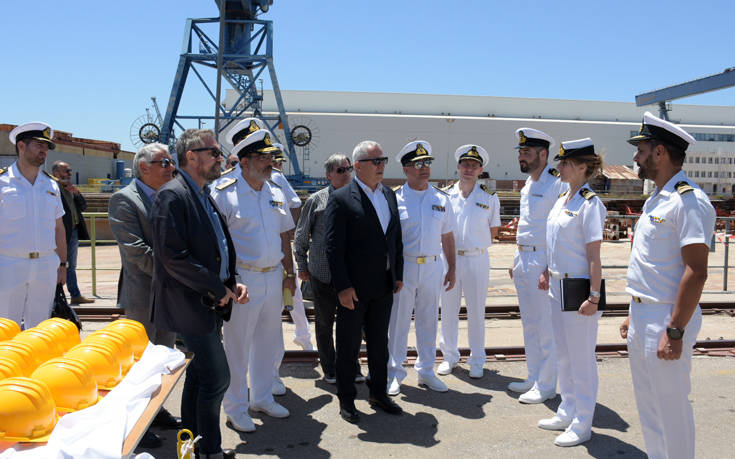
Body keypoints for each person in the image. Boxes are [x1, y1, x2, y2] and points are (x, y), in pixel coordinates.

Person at [620, 112, 715, 459]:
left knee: (671, 406)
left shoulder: (689, 201)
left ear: (659, 152)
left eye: (641, 150)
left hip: (667, 318)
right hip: (644, 313)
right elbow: (652, 264)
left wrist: (675, 330)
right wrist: (634, 310)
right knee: (648, 405)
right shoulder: (657, 198)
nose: (636, 157)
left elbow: (697, 271)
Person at [150, 128, 248, 459]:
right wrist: (216, 287)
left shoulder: (203, 193)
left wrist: (231, 282)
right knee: (217, 378)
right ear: (191, 156)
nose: (221, 159)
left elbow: (217, 247)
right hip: (189, 306)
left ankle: (190, 446)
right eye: (215, 153)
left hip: (209, 302)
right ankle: (210, 450)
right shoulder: (172, 196)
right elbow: (172, 257)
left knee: (198, 376)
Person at [212, 129, 296, 433]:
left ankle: (261, 397)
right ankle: (235, 407)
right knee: (237, 346)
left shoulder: (274, 190)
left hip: (273, 275)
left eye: (271, 157)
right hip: (242, 279)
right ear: (244, 161)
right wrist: (227, 282)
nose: (270, 163)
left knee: (267, 341)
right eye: (263, 157)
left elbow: (284, 235)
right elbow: (215, 243)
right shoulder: (223, 192)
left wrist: (289, 273)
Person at [325, 140, 404, 423]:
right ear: (358, 166)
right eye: (376, 161)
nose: (382, 166)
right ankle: (347, 400)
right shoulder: (342, 198)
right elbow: (333, 248)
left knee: (379, 345)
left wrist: (398, 274)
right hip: (354, 289)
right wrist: (343, 287)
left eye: (383, 160)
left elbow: (395, 239)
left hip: (383, 285)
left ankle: (378, 393)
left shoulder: (388, 195)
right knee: (348, 347)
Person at [108, 142, 180, 448]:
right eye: (164, 163)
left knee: (163, 358)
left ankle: (156, 410)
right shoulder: (124, 200)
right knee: (139, 365)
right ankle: (136, 423)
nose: (171, 168)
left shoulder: (170, 196)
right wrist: (179, 274)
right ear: (143, 167)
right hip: (143, 296)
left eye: (171, 162)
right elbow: (136, 251)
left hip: (169, 294)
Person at [538, 138, 606, 447]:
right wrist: (545, 270)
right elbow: (554, 243)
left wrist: (594, 297)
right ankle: (567, 409)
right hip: (557, 286)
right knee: (563, 355)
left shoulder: (590, 204)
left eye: (565, 163)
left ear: (582, 167)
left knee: (581, 359)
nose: (560, 167)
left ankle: (583, 422)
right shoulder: (562, 198)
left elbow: (594, 256)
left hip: (579, 289)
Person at [388, 141, 456, 395]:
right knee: (398, 323)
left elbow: (447, 236)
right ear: (405, 169)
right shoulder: (394, 198)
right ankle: (394, 372)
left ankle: (426, 371)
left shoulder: (441, 198)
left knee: (428, 322)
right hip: (404, 267)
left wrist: (452, 268)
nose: (424, 168)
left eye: (427, 163)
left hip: (432, 266)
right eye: (417, 164)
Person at [507, 128, 565, 403]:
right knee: (529, 324)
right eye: (520, 152)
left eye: (527, 152)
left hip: (542, 259)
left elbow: (559, 230)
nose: (521, 157)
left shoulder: (556, 184)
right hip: (524, 258)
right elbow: (528, 225)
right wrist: (516, 259)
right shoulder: (529, 184)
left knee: (545, 326)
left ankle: (547, 384)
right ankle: (533, 376)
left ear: (543, 154)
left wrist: (548, 268)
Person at [294, 153, 358, 384]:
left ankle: (351, 366)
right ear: (329, 175)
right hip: (323, 275)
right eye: (341, 170)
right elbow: (301, 236)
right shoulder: (316, 201)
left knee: (351, 326)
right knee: (324, 324)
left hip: (351, 276)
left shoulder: (358, 199)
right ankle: (330, 368)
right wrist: (302, 265)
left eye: (349, 169)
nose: (346, 174)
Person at [439, 144, 500, 379]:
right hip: (450, 258)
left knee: (476, 311)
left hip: (477, 259)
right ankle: (449, 356)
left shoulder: (489, 197)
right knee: (448, 310)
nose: (469, 169)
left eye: (474, 165)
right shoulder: (446, 195)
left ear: (480, 170)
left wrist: (476, 243)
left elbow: (494, 230)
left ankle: (477, 359)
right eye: (465, 164)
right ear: (458, 166)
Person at [1, 122, 66, 329]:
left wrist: (62, 264)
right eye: (39, 145)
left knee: (40, 329)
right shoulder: (2, 182)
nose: (44, 151)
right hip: (9, 264)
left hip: (45, 265)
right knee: (6, 326)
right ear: (21, 146)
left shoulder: (51, 184)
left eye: (46, 147)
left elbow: (59, 227)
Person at [270, 143, 314, 394]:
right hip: (278, 249)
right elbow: (296, 204)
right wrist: (292, 230)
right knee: (289, 298)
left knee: (290, 297)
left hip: (272, 252)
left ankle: (303, 337)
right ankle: (303, 337)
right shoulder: (276, 178)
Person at [52, 161, 93, 305]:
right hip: (60, 233)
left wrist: (76, 193)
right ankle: (57, 297)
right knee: (59, 264)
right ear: (56, 173)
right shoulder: (52, 188)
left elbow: (83, 206)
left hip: (73, 231)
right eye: (66, 171)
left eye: (70, 171)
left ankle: (74, 295)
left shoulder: (70, 188)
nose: (69, 174)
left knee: (70, 265)